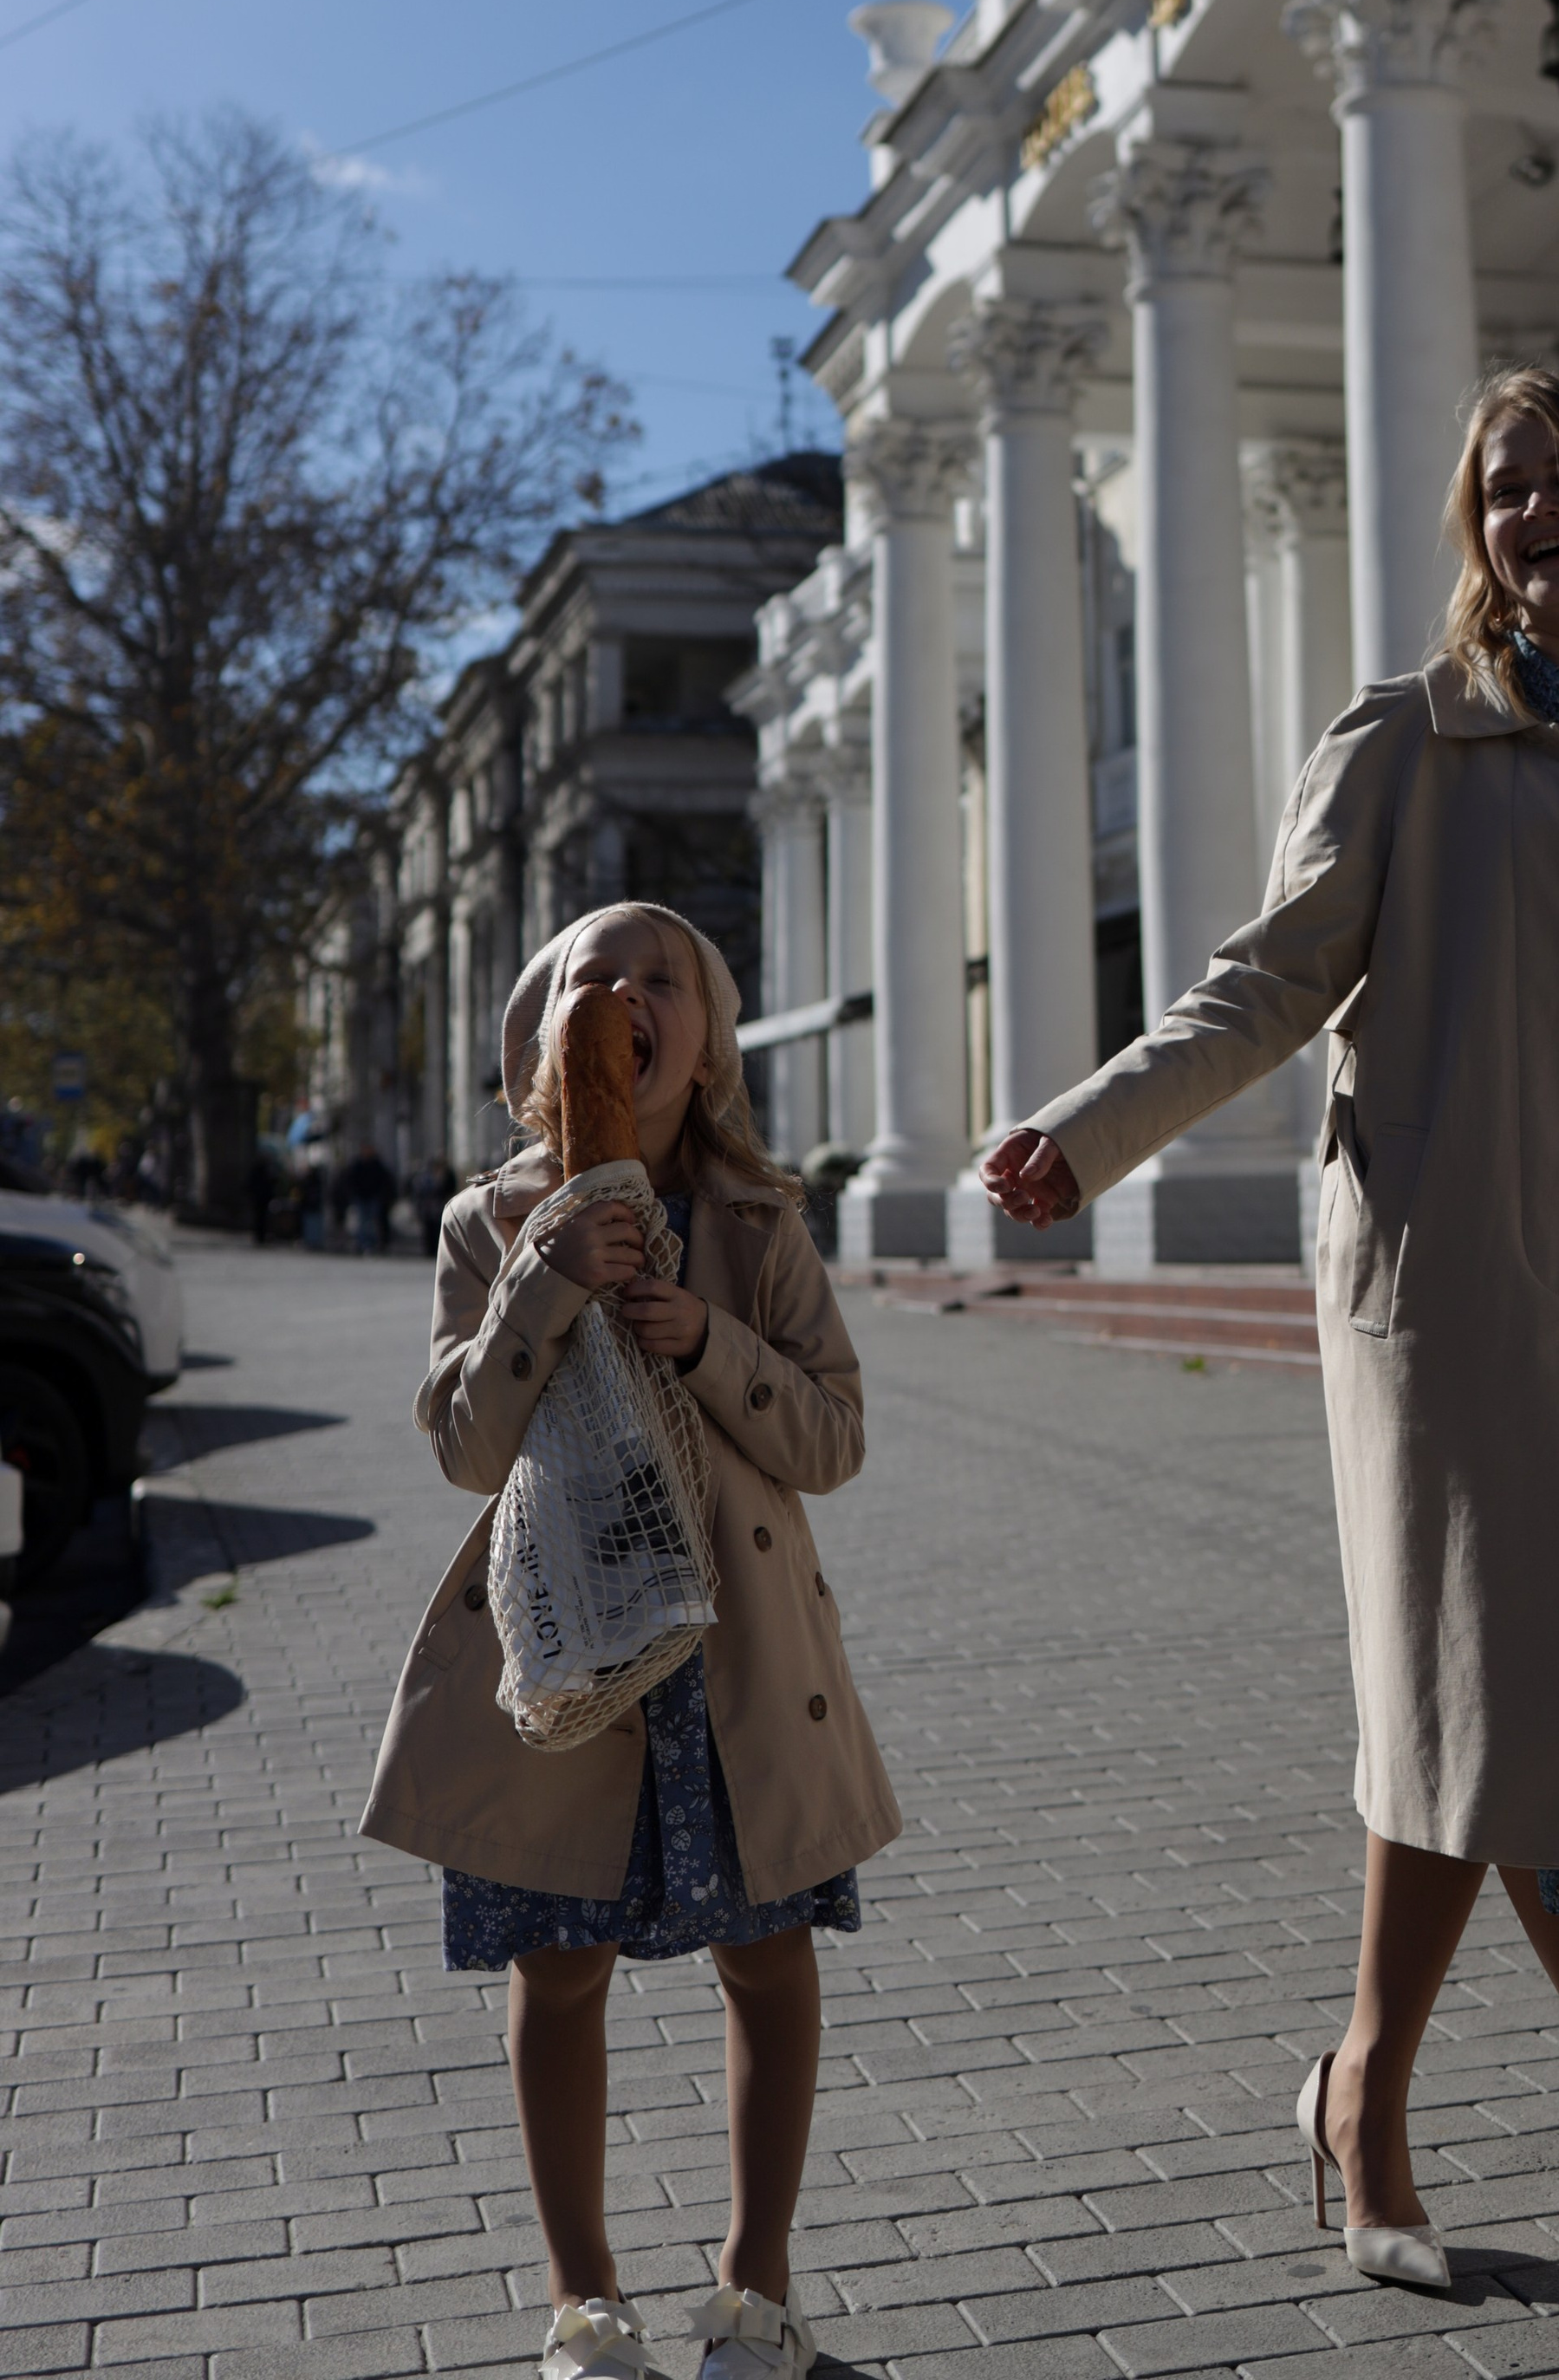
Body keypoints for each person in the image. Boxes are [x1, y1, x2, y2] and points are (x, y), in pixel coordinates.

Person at [983, 368, 1559, 2310]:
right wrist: (1085, 1133)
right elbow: (1266, 979)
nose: (1535, 509)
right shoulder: (1407, 737)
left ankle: (1362, 2087)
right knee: (1492, 1695)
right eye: (1502, 487)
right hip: (1469, 1262)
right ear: (1471, 533)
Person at [361, 901, 900, 2380]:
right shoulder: (487, 1222)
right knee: (562, 1966)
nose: (627, 995)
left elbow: (837, 1436)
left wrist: (703, 1341)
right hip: (569, 1660)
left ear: (710, 1043)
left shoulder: (755, 1220)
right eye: (595, 977)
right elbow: (468, 1448)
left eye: (665, 978)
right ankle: (582, 2297)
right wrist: (548, 1274)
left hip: (737, 1656)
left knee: (769, 1957)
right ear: (548, 1041)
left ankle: (757, 2286)